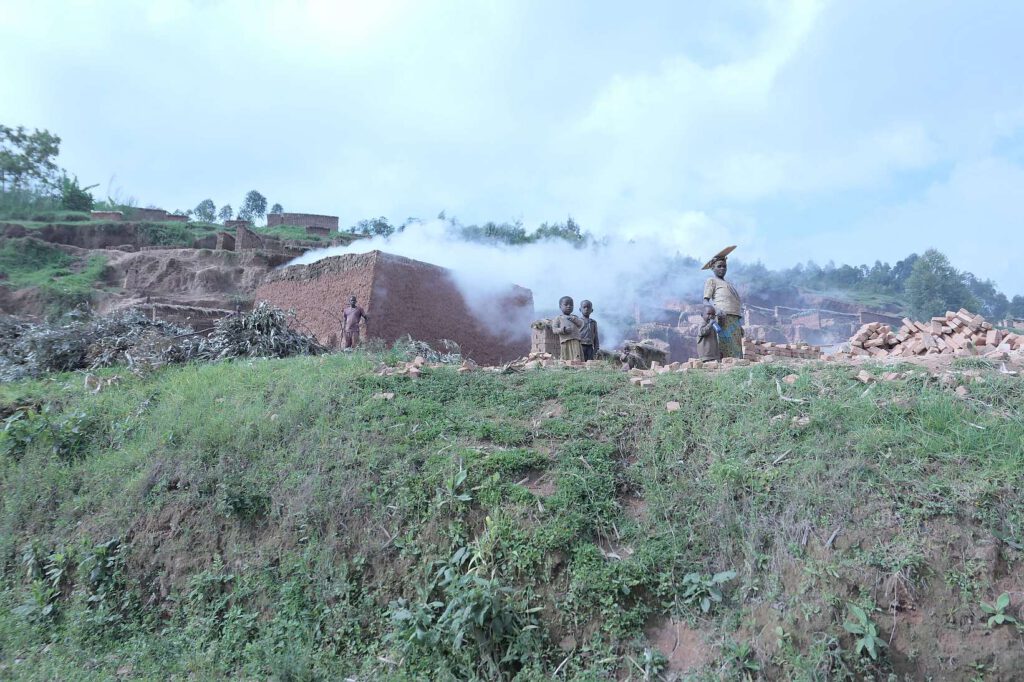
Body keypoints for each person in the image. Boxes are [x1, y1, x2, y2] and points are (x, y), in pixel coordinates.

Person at [702, 247, 744, 358]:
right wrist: (716, 310)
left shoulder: (729, 284)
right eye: (719, 266)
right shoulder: (712, 281)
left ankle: (737, 368)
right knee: (725, 346)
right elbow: (705, 300)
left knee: (736, 347)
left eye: (724, 266)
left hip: (735, 318)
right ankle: (725, 367)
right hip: (722, 318)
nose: (722, 269)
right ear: (712, 268)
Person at [551, 295, 584, 362]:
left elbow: (581, 324)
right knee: (565, 354)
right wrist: (563, 330)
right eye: (566, 305)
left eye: (571, 305)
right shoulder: (558, 318)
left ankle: (577, 364)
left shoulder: (574, 317)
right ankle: (566, 364)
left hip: (575, 340)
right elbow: (554, 330)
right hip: (565, 340)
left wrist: (574, 319)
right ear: (560, 306)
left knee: (576, 353)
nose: (569, 306)